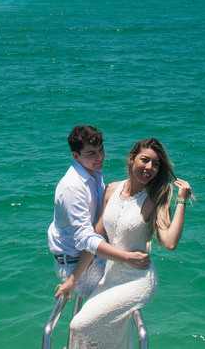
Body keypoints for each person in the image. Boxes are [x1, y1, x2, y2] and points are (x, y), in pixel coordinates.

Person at [57, 137, 194, 349]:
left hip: (138, 280)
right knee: (109, 331)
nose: (150, 167)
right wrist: (72, 280)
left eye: (156, 164)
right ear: (131, 159)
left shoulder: (155, 198)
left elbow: (169, 242)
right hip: (111, 276)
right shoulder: (111, 189)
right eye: (145, 160)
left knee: (79, 325)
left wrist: (181, 200)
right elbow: (95, 241)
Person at [47, 125, 151, 297]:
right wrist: (125, 257)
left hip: (92, 255)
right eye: (91, 153)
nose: (100, 157)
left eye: (101, 150)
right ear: (76, 156)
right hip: (76, 265)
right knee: (120, 298)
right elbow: (85, 238)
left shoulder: (93, 171)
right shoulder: (73, 188)